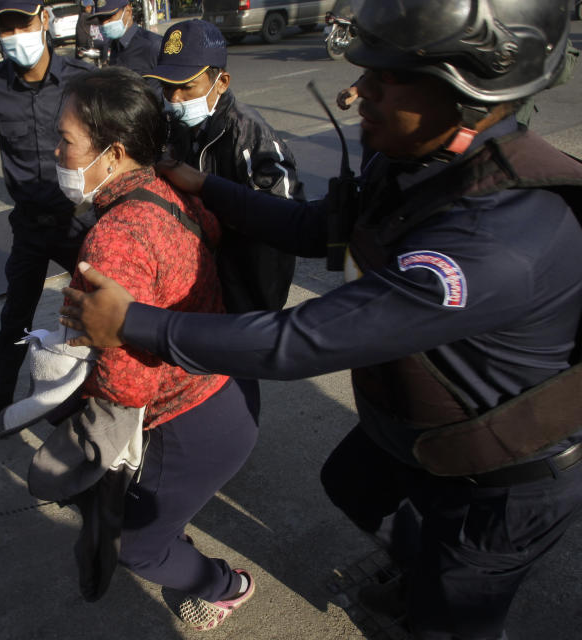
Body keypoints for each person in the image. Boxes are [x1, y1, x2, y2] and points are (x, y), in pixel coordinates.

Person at [59, 1, 582, 638]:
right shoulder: (424, 164)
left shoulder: (494, 241)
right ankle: (422, 567)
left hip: (500, 471)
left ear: (468, 91)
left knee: (453, 618)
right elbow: (318, 227)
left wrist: (136, 323)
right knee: (353, 483)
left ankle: (438, 588)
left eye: (384, 81)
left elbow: (305, 340)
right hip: (425, 423)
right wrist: (209, 187)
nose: (354, 93)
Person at [55, 66, 260, 630]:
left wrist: (76, 359)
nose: (55, 151)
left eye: (65, 141)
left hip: (190, 420)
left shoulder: (113, 239)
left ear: (113, 152)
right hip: (229, 387)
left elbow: (130, 385)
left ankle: (226, 585)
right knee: (160, 513)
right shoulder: (163, 186)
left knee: (138, 549)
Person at [0, 0, 96, 430]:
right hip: (30, 227)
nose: (16, 35)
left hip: (80, 223)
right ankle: (1, 400)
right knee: (14, 318)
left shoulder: (82, 81)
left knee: (99, 310)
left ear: (45, 20)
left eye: (24, 23)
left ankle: (101, 398)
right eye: (7, 26)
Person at [145, 19, 304, 312]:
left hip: (245, 292)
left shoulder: (249, 134)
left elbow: (284, 218)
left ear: (221, 82)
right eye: (167, 88)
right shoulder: (170, 126)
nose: (175, 99)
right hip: (196, 283)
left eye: (187, 88)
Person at [91, 0, 160, 78]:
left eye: (110, 17)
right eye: (101, 19)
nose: (104, 23)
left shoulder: (153, 45)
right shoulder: (113, 45)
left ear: (128, 11)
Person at [75, 0, 102, 65]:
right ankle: (104, 63)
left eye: (90, 7)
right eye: (88, 7)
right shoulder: (86, 16)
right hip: (86, 45)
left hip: (82, 45)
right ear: (85, 8)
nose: (90, 9)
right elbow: (98, 21)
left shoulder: (81, 15)